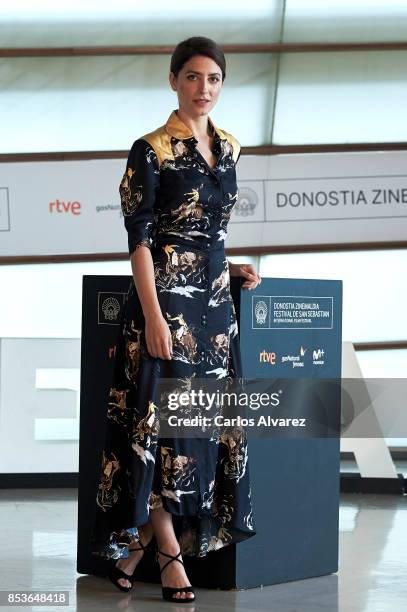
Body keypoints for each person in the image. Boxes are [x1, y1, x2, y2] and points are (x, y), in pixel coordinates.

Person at [89, 35, 261, 603]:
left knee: (198, 430)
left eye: (213, 79)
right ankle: (166, 555)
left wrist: (229, 266)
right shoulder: (151, 149)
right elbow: (139, 241)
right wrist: (155, 316)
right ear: (173, 81)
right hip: (164, 304)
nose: (203, 88)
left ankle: (136, 546)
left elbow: (209, 229)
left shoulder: (232, 148)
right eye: (192, 77)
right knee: (163, 430)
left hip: (212, 309)